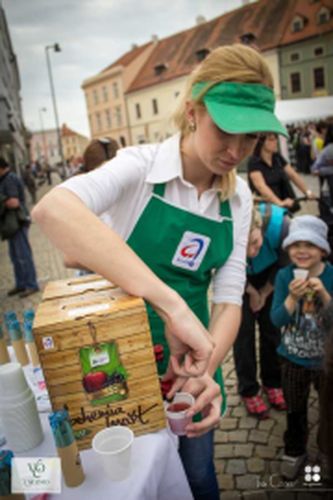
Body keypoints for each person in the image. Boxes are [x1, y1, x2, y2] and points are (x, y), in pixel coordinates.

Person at [32, 44, 289, 499]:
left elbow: (229, 299)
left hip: (189, 366)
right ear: (193, 110)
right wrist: (171, 306)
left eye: (250, 138)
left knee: (199, 476)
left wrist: (203, 366)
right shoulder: (141, 167)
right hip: (115, 366)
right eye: (225, 131)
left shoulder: (239, 198)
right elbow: (53, 210)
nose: (236, 151)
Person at [271, 215, 333, 480]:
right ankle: (295, 451)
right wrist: (291, 297)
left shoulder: (330, 276)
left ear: (322, 250)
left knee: (329, 411)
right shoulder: (284, 276)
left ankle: (326, 452)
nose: (302, 250)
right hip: (292, 358)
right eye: (296, 245)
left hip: (327, 361)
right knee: (295, 410)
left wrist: (324, 295)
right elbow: (276, 319)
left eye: (310, 244)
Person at [233, 203, 288, 419]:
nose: (252, 252)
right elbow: (221, 266)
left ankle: (273, 382)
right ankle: (248, 388)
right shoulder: (228, 231)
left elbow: (285, 264)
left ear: (259, 227)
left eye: (255, 243)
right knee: (242, 334)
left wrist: (264, 293)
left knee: (272, 330)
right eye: (245, 247)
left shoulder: (281, 228)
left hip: (271, 276)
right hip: (238, 278)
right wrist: (250, 292)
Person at [0, 157, 39, 298]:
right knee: (15, 256)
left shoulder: (9, 179)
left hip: (17, 222)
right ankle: (21, 284)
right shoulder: (6, 178)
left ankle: (31, 284)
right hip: (12, 224)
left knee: (23, 256)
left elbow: (14, 202)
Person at [248, 133, 315, 212]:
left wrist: (307, 192)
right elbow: (261, 186)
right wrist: (279, 203)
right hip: (266, 210)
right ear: (261, 142)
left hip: (284, 204)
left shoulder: (277, 158)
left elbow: (293, 175)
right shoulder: (254, 162)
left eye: (276, 138)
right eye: (271, 139)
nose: (275, 141)